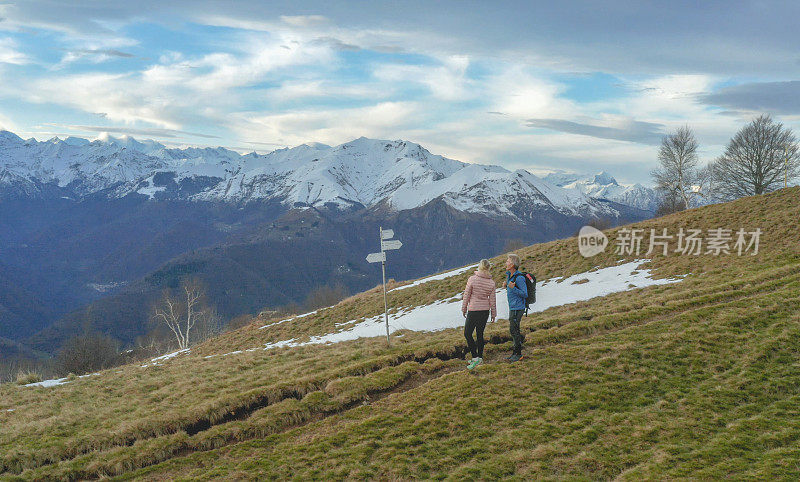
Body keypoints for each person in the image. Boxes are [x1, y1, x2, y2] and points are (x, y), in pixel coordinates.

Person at [461, 259, 497, 370]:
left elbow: (466, 295)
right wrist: (493, 314)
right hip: (484, 311)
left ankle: (475, 357)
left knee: (467, 333)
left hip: (474, 310)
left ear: (479, 267)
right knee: (480, 334)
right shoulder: (491, 283)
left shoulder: (472, 279)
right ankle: (480, 358)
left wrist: (464, 308)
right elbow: (492, 300)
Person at [504, 253, 527, 362]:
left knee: (514, 329)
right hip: (513, 307)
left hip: (518, 308)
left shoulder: (519, 277)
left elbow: (524, 293)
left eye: (508, 261)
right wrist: (507, 287)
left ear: (513, 264)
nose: (506, 263)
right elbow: (512, 291)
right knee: (514, 329)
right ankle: (515, 353)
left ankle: (518, 354)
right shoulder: (510, 275)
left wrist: (512, 288)